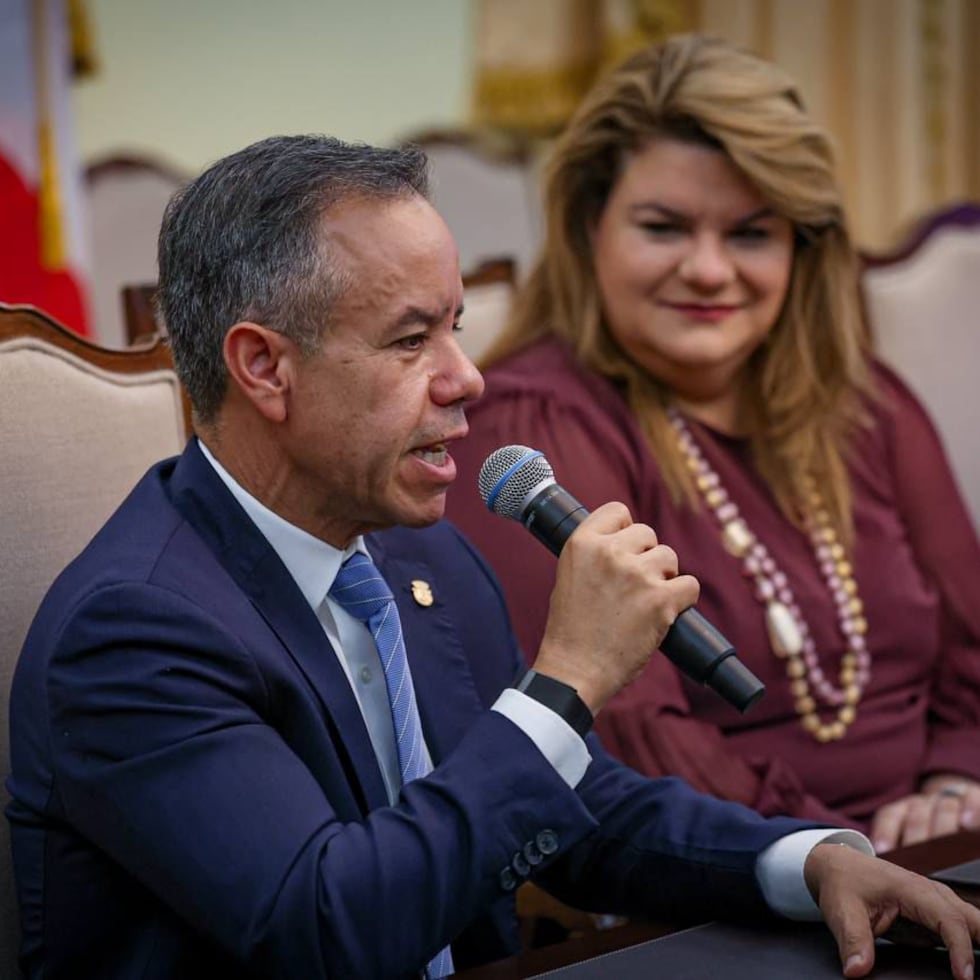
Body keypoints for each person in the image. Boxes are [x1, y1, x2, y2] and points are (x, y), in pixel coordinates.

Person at [6, 134, 980, 980]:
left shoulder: (411, 545)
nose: (466, 377)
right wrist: (569, 678)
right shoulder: (132, 629)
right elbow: (330, 929)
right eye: (409, 339)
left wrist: (801, 860)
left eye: (456, 326)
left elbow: (573, 802)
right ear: (265, 366)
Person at [447, 34, 980, 855]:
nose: (708, 270)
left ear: (801, 249)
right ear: (590, 228)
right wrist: (843, 850)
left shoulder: (864, 405)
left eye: (751, 234)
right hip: (747, 873)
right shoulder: (534, 433)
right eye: (664, 227)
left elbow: (972, 649)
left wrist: (955, 786)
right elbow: (629, 739)